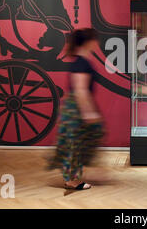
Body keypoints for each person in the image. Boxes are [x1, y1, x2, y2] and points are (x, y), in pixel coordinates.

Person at [47, 28, 104, 190]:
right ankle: (72, 180)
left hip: (75, 107)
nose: (97, 43)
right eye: (95, 39)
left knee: (76, 143)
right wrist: (88, 112)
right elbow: (80, 90)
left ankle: (73, 176)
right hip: (76, 108)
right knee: (74, 144)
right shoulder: (82, 63)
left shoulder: (82, 61)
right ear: (88, 42)